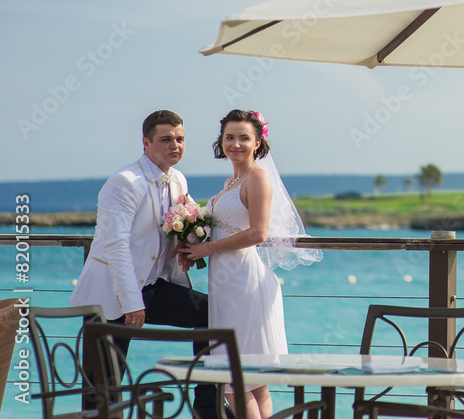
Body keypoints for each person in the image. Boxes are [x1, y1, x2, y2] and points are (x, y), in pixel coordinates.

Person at [70, 110, 225, 418]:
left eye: (180, 139)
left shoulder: (177, 179)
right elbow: (116, 247)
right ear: (146, 143)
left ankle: (208, 408)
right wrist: (131, 302)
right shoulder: (123, 183)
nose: (175, 146)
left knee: (212, 313)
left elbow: (185, 222)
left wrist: (193, 241)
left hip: (154, 288)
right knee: (103, 390)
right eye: (166, 139)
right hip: (111, 295)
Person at [182, 109, 320, 419]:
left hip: (244, 286)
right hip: (227, 285)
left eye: (244, 138)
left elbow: (258, 233)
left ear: (258, 142)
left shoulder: (257, 178)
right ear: (222, 141)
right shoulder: (232, 180)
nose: (236, 144)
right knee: (254, 384)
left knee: (233, 380)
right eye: (229, 137)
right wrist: (193, 241)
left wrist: (209, 247)